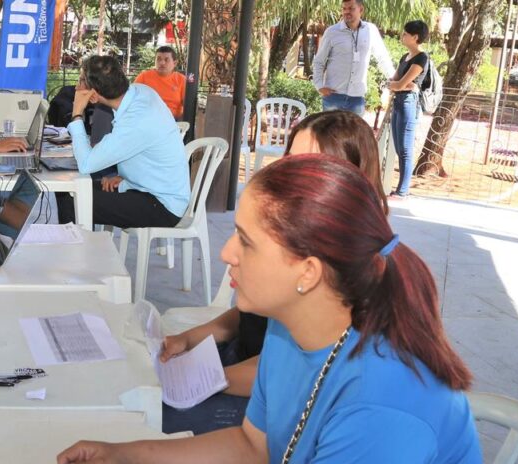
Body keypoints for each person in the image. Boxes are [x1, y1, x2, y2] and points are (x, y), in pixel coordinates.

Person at [40, 155, 482, 464]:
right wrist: (123, 457)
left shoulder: (384, 404)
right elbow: (252, 447)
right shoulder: (290, 330)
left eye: (246, 243)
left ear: (307, 272)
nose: (226, 253)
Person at [160, 109, 388, 436]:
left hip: (271, 398)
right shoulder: (288, 230)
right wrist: (188, 340)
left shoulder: (342, 265)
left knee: (153, 418)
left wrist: (202, 378)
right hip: (239, 364)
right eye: (290, 160)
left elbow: (288, 372)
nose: (292, 175)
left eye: (311, 166)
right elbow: (248, 313)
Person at [56, 55, 190, 229]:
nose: (76, 87)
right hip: (145, 187)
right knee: (70, 190)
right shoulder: (141, 91)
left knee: (73, 200)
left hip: (161, 205)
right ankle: (81, 242)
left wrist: (76, 115)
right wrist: (126, 179)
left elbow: (86, 164)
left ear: (94, 95)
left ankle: (79, 246)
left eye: (81, 81)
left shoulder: (136, 121)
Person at [312, 0, 395, 116]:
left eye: (351, 8)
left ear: (361, 10)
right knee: (331, 129)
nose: (346, 12)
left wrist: (394, 79)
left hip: (357, 98)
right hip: (333, 96)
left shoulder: (370, 30)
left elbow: (382, 57)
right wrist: (319, 86)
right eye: (344, 8)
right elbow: (319, 61)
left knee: (355, 129)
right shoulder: (332, 32)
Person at [386, 20, 430, 198]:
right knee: (398, 147)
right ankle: (401, 189)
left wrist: (397, 85)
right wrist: (396, 85)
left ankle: (402, 190)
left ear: (415, 37)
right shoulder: (405, 57)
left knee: (405, 149)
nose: (402, 36)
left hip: (408, 103)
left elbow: (399, 84)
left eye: (405, 34)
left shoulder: (421, 58)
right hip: (398, 101)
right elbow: (395, 82)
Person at [134, 46, 188, 119]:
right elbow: (132, 99)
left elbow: (188, 105)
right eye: (158, 59)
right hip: (147, 119)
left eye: (166, 60)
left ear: (175, 63)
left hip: (173, 121)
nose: (162, 63)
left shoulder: (181, 80)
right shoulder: (144, 77)